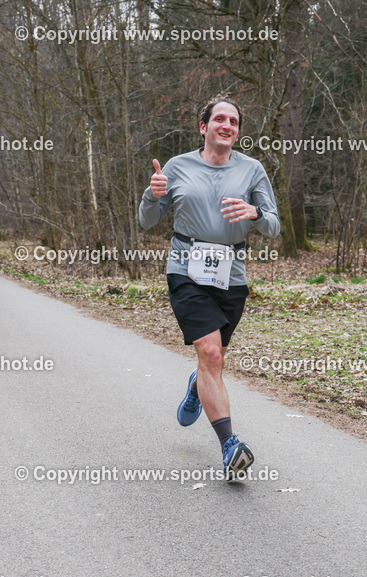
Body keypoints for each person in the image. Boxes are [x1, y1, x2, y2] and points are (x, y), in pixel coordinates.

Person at [138, 96, 280, 480]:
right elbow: (147, 221)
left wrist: (256, 213)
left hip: (231, 274)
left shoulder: (252, 170)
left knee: (212, 360)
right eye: (219, 119)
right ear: (203, 127)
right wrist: (152, 195)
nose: (227, 125)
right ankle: (230, 446)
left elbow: (274, 225)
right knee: (211, 352)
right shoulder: (177, 167)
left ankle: (196, 385)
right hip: (186, 267)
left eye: (233, 121)